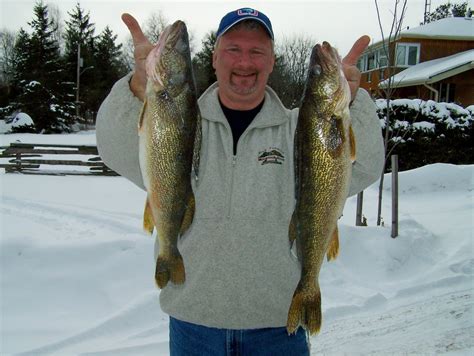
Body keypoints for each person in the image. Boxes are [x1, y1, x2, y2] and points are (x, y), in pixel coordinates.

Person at [96, 7, 384, 355]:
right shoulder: (178, 122)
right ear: (215, 57)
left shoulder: (302, 129)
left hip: (279, 328)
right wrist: (135, 87)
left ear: (272, 61)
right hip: (193, 327)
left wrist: (355, 102)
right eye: (233, 49)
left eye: (256, 51)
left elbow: (365, 167)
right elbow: (113, 148)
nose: (244, 62)